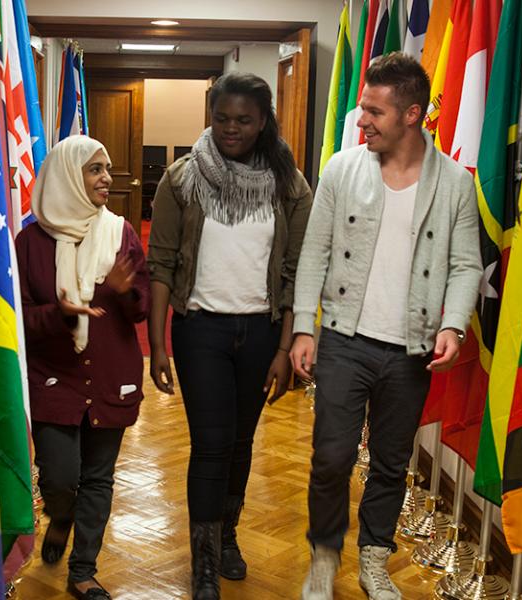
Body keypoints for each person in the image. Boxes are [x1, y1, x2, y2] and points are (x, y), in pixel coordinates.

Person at [290, 52, 482, 600]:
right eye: (361, 109)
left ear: (412, 114)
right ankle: (324, 559)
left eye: (374, 111)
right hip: (345, 340)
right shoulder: (341, 169)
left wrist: (453, 325)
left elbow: (466, 264)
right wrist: (305, 325)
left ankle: (373, 559)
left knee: (392, 464)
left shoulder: (455, 184)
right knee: (331, 458)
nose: (361, 121)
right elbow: (315, 253)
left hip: (412, 350)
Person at [147, 72, 313, 600]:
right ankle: (202, 562)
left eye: (243, 120)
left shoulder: (290, 184)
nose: (231, 129)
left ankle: (227, 537)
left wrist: (286, 348)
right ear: (210, 116)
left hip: (262, 332)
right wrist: (157, 345)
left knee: (241, 443)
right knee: (211, 445)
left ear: (264, 120)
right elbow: (162, 265)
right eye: (221, 118)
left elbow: (297, 272)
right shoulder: (181, 178)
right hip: (201, 332)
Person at [15, 135, 150, 600]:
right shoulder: (29, 242)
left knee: (98, 476)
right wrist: (62, 313)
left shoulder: (121, 233)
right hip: (54, 377)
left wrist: (124, 290)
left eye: (107, 169)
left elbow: (142, 309)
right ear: (68, 176)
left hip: (111, 375)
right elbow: (19, 319)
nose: (106, 179)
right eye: (94, 170)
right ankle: (62, 514)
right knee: (58, 477)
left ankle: (84, 570)